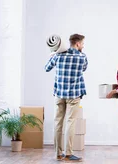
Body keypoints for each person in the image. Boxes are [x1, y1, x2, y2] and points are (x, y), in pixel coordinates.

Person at [45, 33, 88, 162]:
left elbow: (47, 68)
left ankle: (58, 153)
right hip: (74, 95)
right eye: (83, 43)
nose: (83, 46)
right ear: (78, 44)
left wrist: (53, 55)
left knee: (58, 122)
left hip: (59, 94)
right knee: (70, 122)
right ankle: (68, 153)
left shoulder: (58, 55)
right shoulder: (82, 57)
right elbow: (84, 69)